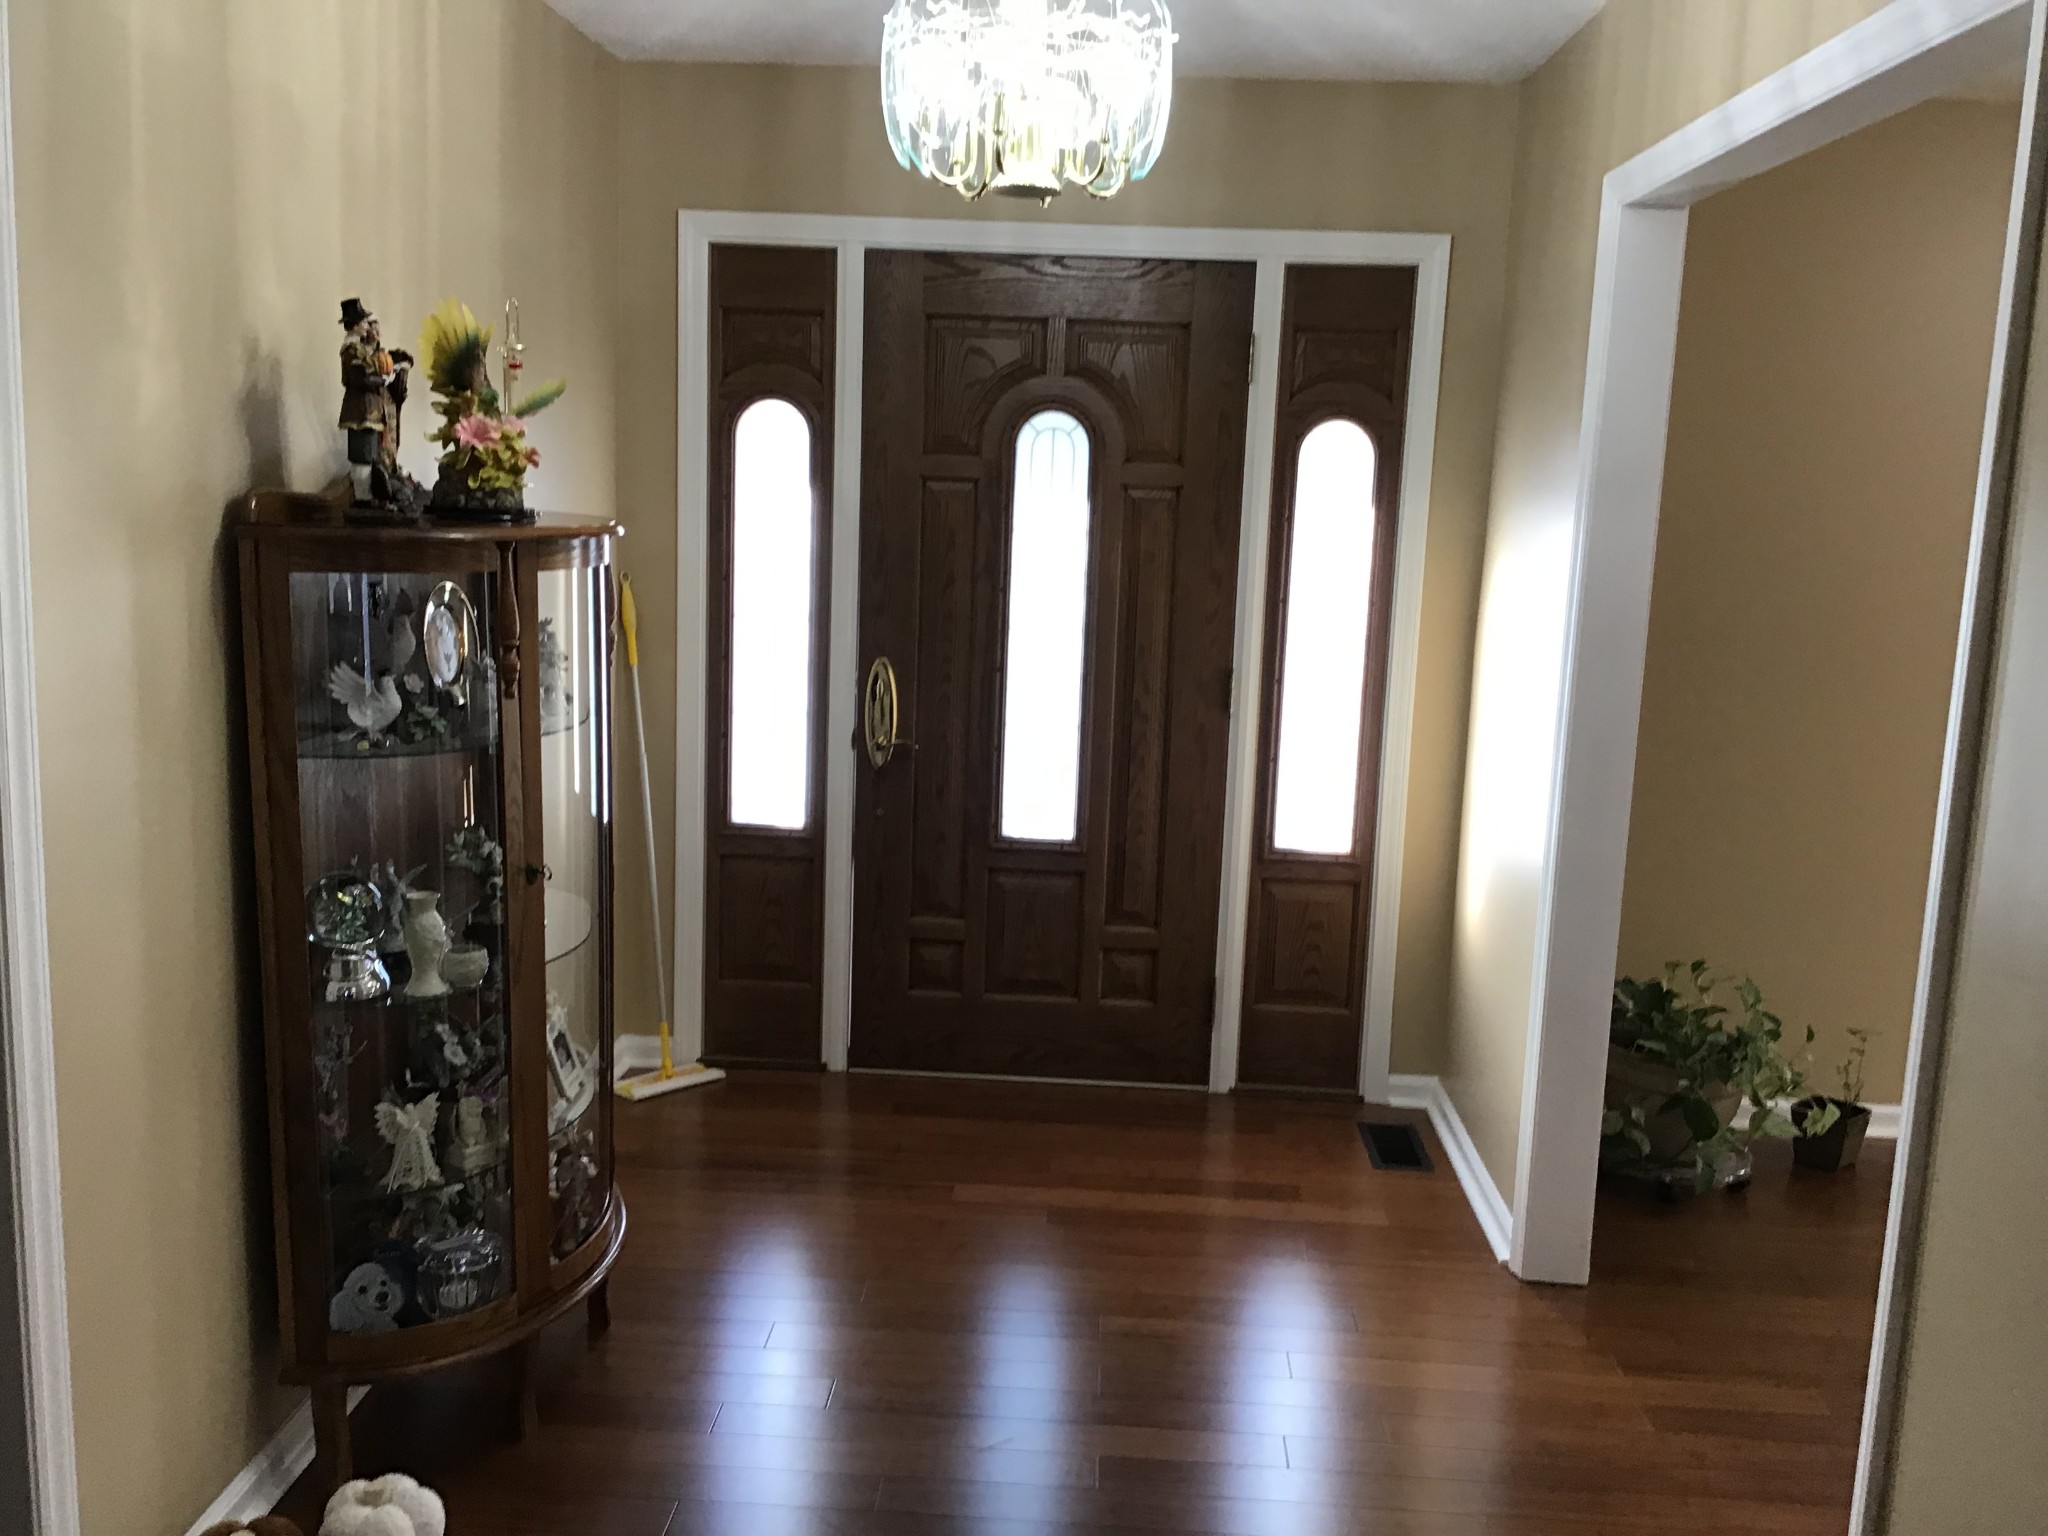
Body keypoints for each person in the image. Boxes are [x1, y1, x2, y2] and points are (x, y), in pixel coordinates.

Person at [338, 298, 414, 506]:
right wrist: (383, 379)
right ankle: (363, 499)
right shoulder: (351, 351)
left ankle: (370, 496)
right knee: (362, 455)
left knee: (371, 454)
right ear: (355, 325)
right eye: (363, 322)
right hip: (360, 412)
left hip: (370, 411)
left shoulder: (361, 349)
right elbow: (357, 378)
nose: (367, 326)